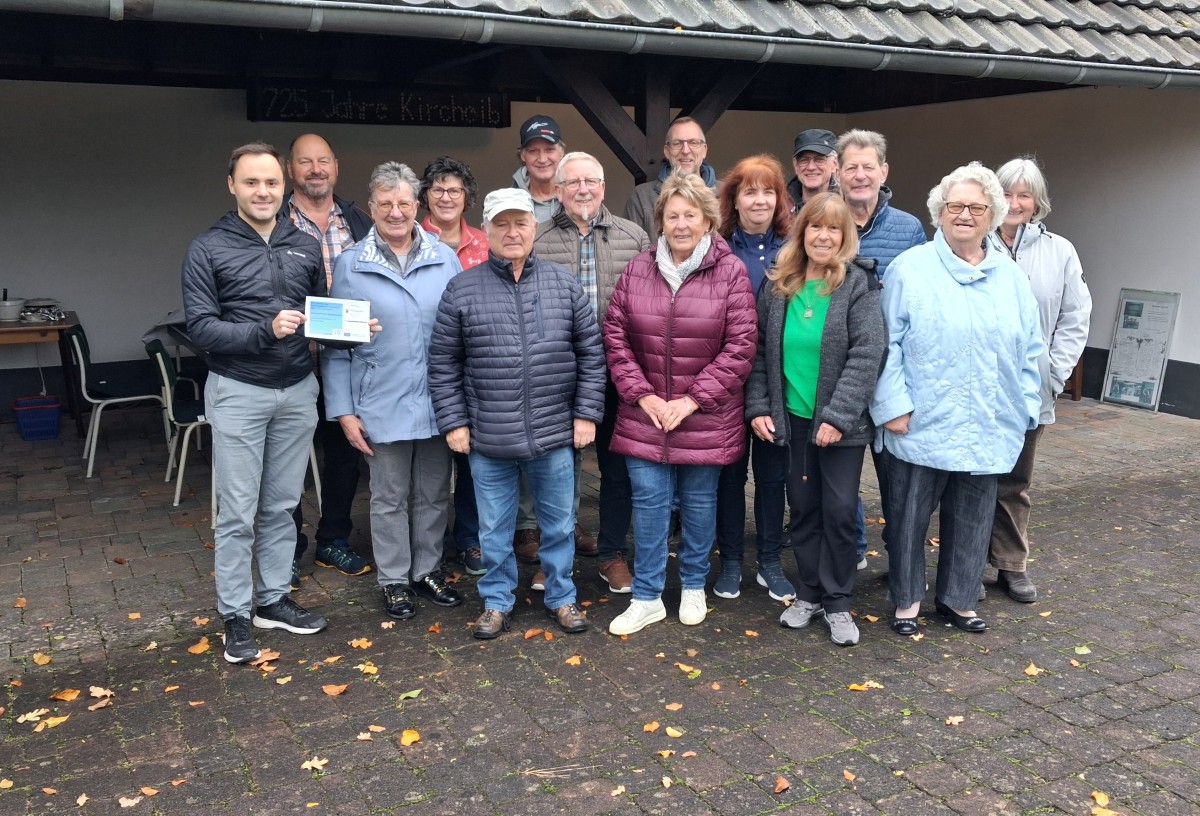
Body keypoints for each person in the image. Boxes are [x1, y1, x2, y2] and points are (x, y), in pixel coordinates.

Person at [182, 143, 356, 663]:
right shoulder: (206, 248)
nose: (263, 192)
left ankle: (273, 600)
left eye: (272, 183)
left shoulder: (302, 244)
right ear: (231, 185)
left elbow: (321, 319)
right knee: (236, 510)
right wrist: (264, 329)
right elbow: (201, 328)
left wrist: (354, 332)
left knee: (283, 503)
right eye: (252, 182)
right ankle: (235, 612)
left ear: (285, 188)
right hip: (238, 389)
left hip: (298, 389)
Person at [871, 163, 1043, 636]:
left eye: (976, 207)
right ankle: (907, 599)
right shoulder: (911, 268)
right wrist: (893, 406)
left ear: (992, 216)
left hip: (987, 417)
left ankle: (958, 600)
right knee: (908, 516)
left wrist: (1025, 406)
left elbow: (1032, 349)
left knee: (972, 513)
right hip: (921, 418)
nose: (964, 215)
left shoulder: (1009, 277)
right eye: (955, 206)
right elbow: (888, 344)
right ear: (939, 213)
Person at [428, 188, 606, 639]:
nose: (512, 232)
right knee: (494, 527)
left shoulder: (563, 284)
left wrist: (586, 414)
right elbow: (444, 361)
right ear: (486, 230)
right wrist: (454, 422)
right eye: (501, 224)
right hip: (488, 433)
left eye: (520, 223)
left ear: (534, 227)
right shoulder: (462, 288)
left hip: (553, 432)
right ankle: (496, 600)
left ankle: (562, 596)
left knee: (560, 523)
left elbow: (591, 354)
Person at [604, 172, 757, 636]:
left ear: (708, 219)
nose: (682, 223)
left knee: (698, 502)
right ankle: (647, 595)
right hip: (645, 413)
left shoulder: (730, 271)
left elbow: (741, 345)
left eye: (691, 214)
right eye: (673, 215)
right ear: (661, 221)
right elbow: (615, 336)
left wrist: (691, 401)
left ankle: (693, 585)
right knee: (648, 504)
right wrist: (643, 394)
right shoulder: (638, 268)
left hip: (705, 415)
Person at [323, 162, 464, 621]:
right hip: (379, 400)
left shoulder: (445, 258)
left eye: (404, 203)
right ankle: (394, 580)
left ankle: (427, 570)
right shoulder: (351, 264)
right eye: (386, 204)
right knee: (387, 497)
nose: (396, 212)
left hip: (436, 400)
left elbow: (463, 333)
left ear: (417, 205)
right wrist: (344, 411)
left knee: (433, 492)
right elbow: (335, 348)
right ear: (372, 208)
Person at [745, 193, 886, 646]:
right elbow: (760, 354)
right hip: (794, 423)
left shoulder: (858, 286)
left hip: (839, 427)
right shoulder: (778, 285)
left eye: (833, 230)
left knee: (840, 511)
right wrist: (760, 407)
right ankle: (808, 592)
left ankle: (839, 601)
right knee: (803, 510)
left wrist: (839, 416)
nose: (823, 236)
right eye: (815, 227)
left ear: (846, 238)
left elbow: (868, 354)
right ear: (801, 232)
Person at [534, 152, 650, 594]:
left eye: (591, 181)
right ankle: (555, 557)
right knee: (558, 473)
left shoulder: (633, 236)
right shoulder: (538, 239)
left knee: (617, 472)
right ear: (558, 190)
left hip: (620, 376)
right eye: (573, 182)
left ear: (603, 187)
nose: (583, 189)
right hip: (558, 377)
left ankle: (611, 554)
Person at [986, 158, 1092, 603]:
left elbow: (1075, 316)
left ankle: (1011, 564)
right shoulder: (972, 242)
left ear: (1036, 202)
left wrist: (1056, 375)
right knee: (971, 480)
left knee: (1014, 480)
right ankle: (967, 564)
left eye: (1023, 195)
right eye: (1007, 193)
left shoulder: (1060, 251)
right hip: (980, 385)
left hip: (1032, 387)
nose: (1014, 203)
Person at [282, 134, 374, 586]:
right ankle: (290, 549)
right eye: (305, 162)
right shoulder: (273, 220)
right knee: (291, 460)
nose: (315, 169)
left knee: (343, 454)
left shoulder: (359, 219)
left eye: (323, 161)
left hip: (348, 361)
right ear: (290, 168)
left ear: (335, 166)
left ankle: (334, 539)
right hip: (293, 360)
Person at [835, 129, 927, 571]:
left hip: (893, 377)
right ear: (837, 173)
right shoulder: (822, 223)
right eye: (850, 166)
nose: (859, 175)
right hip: (840, 378)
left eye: (868, 166)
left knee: (899, 482)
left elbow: (922, 304)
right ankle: (851, 553)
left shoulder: (908, 229)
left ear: (884, 172)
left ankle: (902, 563)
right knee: (842, 481)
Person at [711, 154, 794, 601]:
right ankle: (729, 562)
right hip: (726, 380)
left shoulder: (795, 248)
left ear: (779, 198)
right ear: (734, 199)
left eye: (768, 191)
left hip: (777, 382)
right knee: (728, 476)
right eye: (749, 191)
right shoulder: (717, 246)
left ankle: (770, 560)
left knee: (772, 476)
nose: (759, 200)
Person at [418, 156, 489, 577]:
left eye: (455, 190)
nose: (446, 197)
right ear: (425, 195)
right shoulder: (407, 239)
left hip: (476, 371)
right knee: (426, 462)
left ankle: (469, 538)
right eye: (438, 189)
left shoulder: (485, 242)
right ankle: (427, 542)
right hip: (422, 366)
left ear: (467, 198)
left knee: (471, 463)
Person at [624, 117, 720, 238]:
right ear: (667, 151)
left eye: (693, 143)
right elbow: (632, 249)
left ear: (704, 150)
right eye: (677, 143)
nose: (685, 150)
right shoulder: (641, 196)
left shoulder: (728, 193)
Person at [512, 114, 566, 222]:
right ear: (523, 155)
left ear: (561, 153)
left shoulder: (577, 197)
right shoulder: (508, 203)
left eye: (549, 150)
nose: (542, 159)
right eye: (533, 151)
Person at [787, 128, 839, 213]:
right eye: (804, 160)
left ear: (834, 164)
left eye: (819, 160)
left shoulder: (848, 205)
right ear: (795, 165)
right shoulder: (780, 208)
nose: (811, 167)